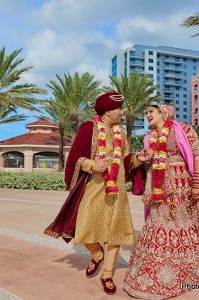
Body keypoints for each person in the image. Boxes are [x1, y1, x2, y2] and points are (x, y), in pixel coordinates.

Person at [124, 105, 199, 299]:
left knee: (189, 227)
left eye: (152, 111)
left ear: (163, 113)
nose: (148, 115)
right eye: (146, 113)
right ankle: (156, 277)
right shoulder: (149, 138)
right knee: (158, 226)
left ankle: (192, 272)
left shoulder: (183, 129)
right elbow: (144, 162)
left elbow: (197, 155)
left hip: (183, 186)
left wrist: (197, 183)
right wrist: (143, 158)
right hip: (158, 189)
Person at [45, 91, 142, 295]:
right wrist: (92, 164)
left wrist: (139, 159)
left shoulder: (121, 133)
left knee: (115, 233)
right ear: (107, 111)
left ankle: (107, 275)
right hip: (94, 187)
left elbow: (125, 160)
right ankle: (97, 254)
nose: (121, 112)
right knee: (84, 227)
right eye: (118, 108)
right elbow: (75, 157)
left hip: (118, 189)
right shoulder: (89, 128)